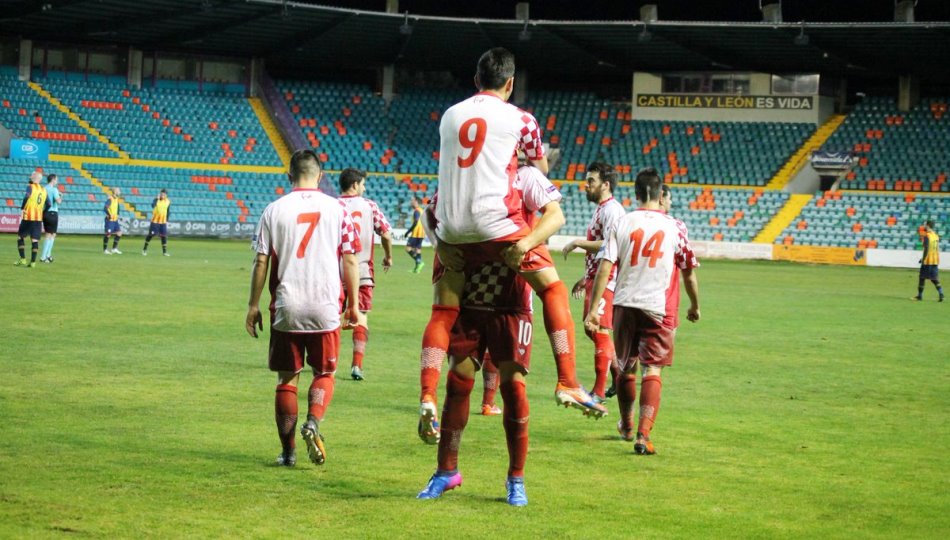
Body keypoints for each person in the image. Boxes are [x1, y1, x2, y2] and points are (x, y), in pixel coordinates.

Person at [418, 47, 603, 437]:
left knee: (443, 312)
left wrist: (439, 240)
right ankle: (567, 379)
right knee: (551, 289)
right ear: (511, 83)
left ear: (475, 81)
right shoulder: (521, 118)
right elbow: (539, 168)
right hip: (498, 225)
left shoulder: (450, 115)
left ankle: (426, 397)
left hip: (451, 229)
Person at [245, 149, 363, 467]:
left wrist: (253, 305)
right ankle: (313, 422)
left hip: (287, 304)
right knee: (324, 372)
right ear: (320, 175)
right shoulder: (338, 210)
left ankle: (288, 452)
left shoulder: (273, 210)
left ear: (289, 175)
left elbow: (260, 261)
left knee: (287, 378)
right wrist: (353, 304)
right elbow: (350, 258)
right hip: (325, 305)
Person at [585, 168, 700, 455]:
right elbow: (688, 273)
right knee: (654, 367)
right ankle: (643, 435)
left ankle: (625, 424)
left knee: (626, 366)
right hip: (657, 307)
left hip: (623, 303)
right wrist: (694, 305)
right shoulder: (676, 227)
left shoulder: (623, 222)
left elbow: (605, 266)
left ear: (636, 194)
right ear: (661, 195)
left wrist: (593, 310)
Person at [416, 259, 534, 506]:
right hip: (470, 299)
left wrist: (528, 243)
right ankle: (446, 471)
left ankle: (516, 478)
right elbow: (430, 218)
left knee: (513, 389)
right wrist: (441, 242)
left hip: (511, 302)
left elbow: (553, 218)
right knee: (458, 383)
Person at [561, 162, 626, 403]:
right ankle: (620, 377)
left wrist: (578, 242)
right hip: (596, 277)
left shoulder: (613, 210)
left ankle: (598, 392)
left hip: (607, 279)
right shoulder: (601, 208)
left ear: (605, 185)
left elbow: (610, 245)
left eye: (591, 181)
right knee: (593, 330)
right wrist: (585, 278)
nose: (586, 185)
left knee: (597, 329)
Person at [338, 168, 394, 380]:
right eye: (362, 184)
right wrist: (388, 257)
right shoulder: (370, 206)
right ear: (354, 185)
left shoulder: (332, 205)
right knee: (361, 317)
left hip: (335, 272)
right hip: (361, 272)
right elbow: (387, 235)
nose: (365, 188)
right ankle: (356, 366)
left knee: (332, 317)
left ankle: (327, 363)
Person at [14, 171, 48, 268]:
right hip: (38, 218)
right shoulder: (43, 189)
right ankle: (33, 262)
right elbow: (48, 204)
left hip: (28, 217)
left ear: (34, 177)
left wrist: (22, 209)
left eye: (32, 175)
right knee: (35, 240)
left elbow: (26, 197)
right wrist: (41, 211)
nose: (30, 176)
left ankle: (23, 259)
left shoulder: (31, 187)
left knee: (20, 237)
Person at [913, 220, 943, 302]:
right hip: (935, 260)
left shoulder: (927, 236)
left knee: (922, 278)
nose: (924, 226)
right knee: (934, 278)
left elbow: (926, 248)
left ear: (928, 226)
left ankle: (919, 296)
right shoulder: (936, 236)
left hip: (928, 260)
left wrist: (923, 259)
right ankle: (941, 294)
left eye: (925, 225)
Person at [142, 189, 171, 256]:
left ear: (166, 195)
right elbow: (152, 206)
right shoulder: (156, 200)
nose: (162, 195)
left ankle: (164, 252)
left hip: (163, 222)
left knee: (164, 236)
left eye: (163, 194)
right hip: (155, 221)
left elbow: (168, 210)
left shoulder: (168, 201)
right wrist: (156, 199)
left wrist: (167, 219)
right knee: (151, 235)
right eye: (161, 194)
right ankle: (144, 249)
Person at [40, 173, 61, 263]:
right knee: (50, 235)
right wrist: (61, 196)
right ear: (52, 180)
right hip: (52, 212)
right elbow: (58, 201)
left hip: (45, 212)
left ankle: (48, 255)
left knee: (52, 234)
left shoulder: (43, 188)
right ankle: (43, 256)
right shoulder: (54, 189)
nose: (57, 181)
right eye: (56, 179)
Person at [405, 196, 427, 273]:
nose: (411, 202)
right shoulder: (422, 210)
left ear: (416, 202)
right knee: (417, 249)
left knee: (408, 248)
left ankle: (419, 262)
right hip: (422, 232)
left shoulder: (417, 211)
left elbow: (416, 221)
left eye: (412, 200)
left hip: (416, 233)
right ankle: (417, 269)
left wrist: (408, 232)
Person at [103, 187, 123, 254]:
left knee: (119, 233)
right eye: (119, 191)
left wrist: (118, 214)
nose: (120, 192)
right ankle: (105, 250)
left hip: (115, 220)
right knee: (108, 234)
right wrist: (109, 214)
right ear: (115, 192)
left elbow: (117, 208)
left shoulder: (117, 199)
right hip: (110, 220)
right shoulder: (110, 199)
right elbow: (105, 208)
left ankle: (114, 249)